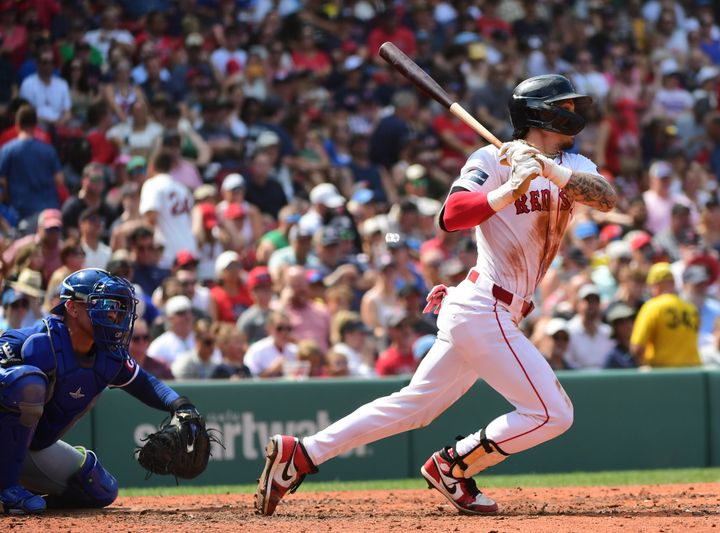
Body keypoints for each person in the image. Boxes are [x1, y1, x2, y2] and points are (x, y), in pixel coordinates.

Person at [255, 74, 616, 516]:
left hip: (489, 308)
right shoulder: (491, 158)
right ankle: (454, 464)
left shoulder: (571, 163)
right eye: (567, 106)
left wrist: (545, 168)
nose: (575, 114)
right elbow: (451, 216)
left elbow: (605, 199)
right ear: (543, 113)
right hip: (485, 309)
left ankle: (303, 453)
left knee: (415, 407)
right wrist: (508, 189)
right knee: (553, 413)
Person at [0, 268, 206, 514]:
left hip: (32, 449)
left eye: (117, 306)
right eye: (103, 304)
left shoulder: (108, 355)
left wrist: (181, 405)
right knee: (25, 382)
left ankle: (23, 492)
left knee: (99, 488)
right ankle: (7, 490)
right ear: (72, 307)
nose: (112, 314)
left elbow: (145, 383)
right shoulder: (29, 342)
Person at [630, 263, 701, 367]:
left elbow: (637, 347)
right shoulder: (691, 309)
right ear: (672, 283)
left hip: (664, 373)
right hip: (693, 372)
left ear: (656, 285)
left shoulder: (652, 306)